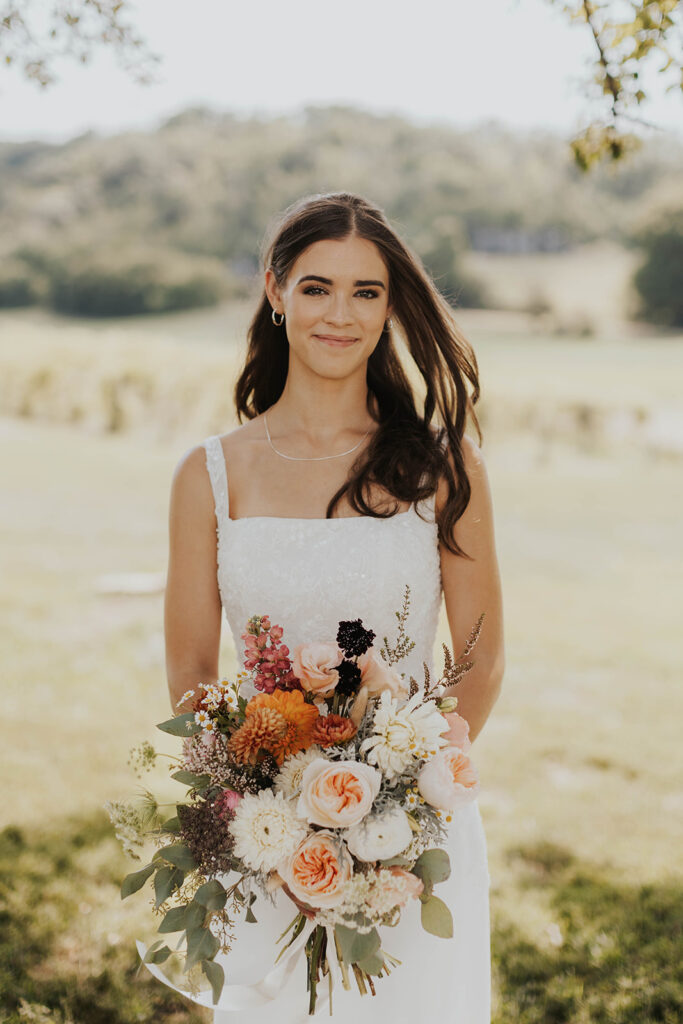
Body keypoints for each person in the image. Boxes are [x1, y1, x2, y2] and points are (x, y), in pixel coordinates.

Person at [163, 191, 505, 1022]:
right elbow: (193, 672)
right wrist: (264, 807)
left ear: (390, 308)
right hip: (264, 834)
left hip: (408, 839)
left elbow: (481, 656)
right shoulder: (209, 474)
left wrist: (395, 800)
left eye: (366, 292)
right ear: (274, 292)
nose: (339, 315)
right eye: (316, 288)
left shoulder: (441, 464)